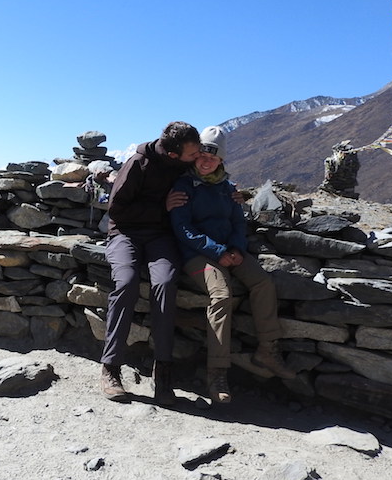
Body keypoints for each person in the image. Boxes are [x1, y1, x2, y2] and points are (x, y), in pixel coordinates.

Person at [170, 125, 294, 405]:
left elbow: (238, 221)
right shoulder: (183, 185)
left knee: (263, 282)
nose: (205, 161)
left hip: (230, 249)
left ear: (221, 160)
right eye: (201, 155)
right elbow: (183, 228)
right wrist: (217, 251)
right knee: (221, 295)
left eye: (212, 158)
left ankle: (268, 350)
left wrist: (236, 247)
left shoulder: (227, 188)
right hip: (196, 255)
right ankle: (217, 372)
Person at [98, 121, 202, 403]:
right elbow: (117, 209)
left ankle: (163, 372)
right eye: (193, 153)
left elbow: (206, 181)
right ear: (172, 154)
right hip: (126, 233)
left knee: (166, 284)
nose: (197, 157)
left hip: (161, 236)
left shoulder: (183, 165)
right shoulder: (137, 164)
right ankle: (111, 367)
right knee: (127, 283)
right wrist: (162, 207)